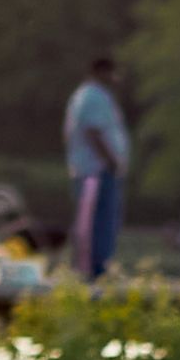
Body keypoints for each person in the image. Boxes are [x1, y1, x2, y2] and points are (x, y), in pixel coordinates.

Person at [65, 51, 135, 277]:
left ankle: (99, 268)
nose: (114, 78)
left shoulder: (90, 95)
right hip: (95, 172)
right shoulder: (92, 96)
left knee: (102, 221)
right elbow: (93, 131)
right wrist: (111, 161)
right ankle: (96, 271)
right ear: (101, 72)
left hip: (95, 171)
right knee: (97, 223)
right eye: (111, 73)